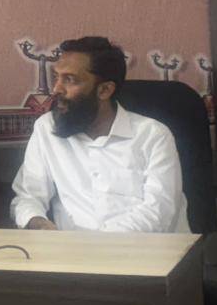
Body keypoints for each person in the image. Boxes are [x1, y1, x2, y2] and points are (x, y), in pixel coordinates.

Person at [12, 36, 189, 232]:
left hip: (145, 248)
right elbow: (28, 197)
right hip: (72, 249)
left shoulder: (153, 136)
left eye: (69, 80)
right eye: (56, 77)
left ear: (105, 90)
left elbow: (158, 214)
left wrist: (95, 244)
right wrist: (38, 223)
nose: (56, 89)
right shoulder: (47, 128)